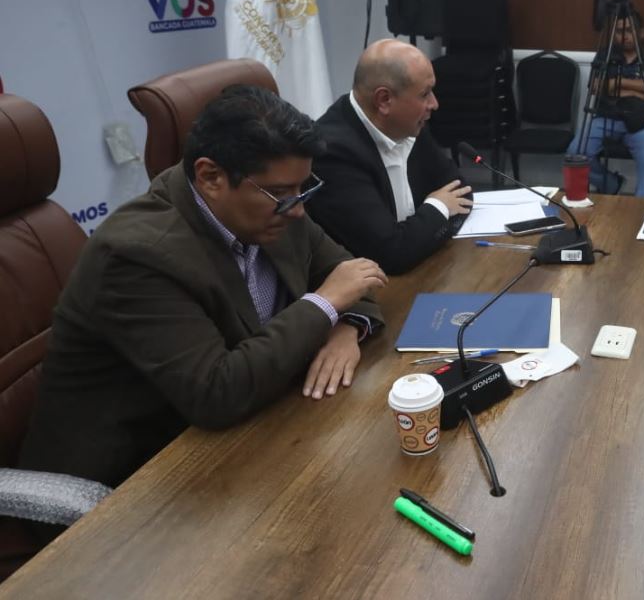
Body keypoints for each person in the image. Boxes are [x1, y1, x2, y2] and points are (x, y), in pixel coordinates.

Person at [18, 85, 387, 490]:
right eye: (282, 193)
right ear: (211, 176)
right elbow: (217, 393)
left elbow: (352, 275)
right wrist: (325, 304)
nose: (298, 208)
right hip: (130, 485)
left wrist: (344, 327)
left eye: (303, 188)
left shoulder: (269, 207)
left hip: (246, 430)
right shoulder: (136, 256)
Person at [306, 39, 472, 274]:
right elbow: (391, 254)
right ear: (384, 100)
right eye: (425, 94)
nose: (434, 104)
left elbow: (461, 192)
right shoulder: (333, 153)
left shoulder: (407, 124)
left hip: (424, 271)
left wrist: (421, 231)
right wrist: (438, 206)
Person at [570, 11, 644, 197]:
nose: (625, 36)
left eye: (630, 30)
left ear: (641, 33)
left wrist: (616, 83)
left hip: (642, 122)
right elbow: (596, 87)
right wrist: (637, 90)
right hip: (606, 117)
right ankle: (611, 184)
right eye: (620, 31)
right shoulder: (605, 55)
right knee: (575, 153)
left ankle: (643, 214)